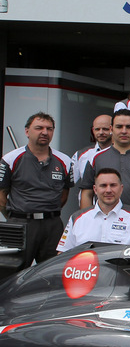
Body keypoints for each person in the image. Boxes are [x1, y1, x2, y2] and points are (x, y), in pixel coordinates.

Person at [0, 112, 73, 271]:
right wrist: (14, 217)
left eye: (49, 128)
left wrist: (47, 212)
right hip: (20, 224)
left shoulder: (65, 161)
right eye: (39, 128)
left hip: (52, 225)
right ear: (27, 131)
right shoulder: (11, 159)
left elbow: (64, 194)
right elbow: (1, 196)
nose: (45, 132)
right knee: (12, 273)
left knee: (52, 273)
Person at [57, 168, 130, 251]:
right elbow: (63, 254)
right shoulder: (77, 218)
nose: (108, 190)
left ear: (121, 188)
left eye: (113, 185)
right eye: (103, 186)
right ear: (95, 189)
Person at [73, 114, 112, 184]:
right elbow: (68, 182)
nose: (101, 132)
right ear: (93, 130)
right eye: (97, 129)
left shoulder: (121, 153)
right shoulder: (80, 154)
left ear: (113, 129)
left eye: (105, 129)